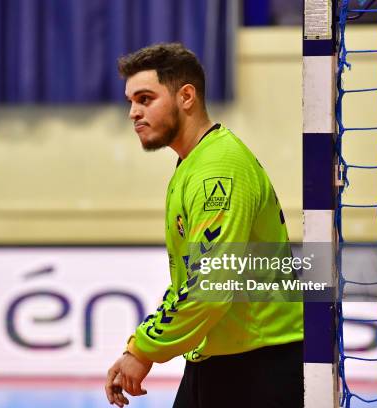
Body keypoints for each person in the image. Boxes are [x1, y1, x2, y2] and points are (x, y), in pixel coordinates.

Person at [105, 43, 304, 408]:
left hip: (259, 365)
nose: (133, 112)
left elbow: (210, 287)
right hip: (222, 360)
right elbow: (191, 279)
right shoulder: (193, 164)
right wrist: (139, 345)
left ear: (186, 97)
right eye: (131, 101)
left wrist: (144, 349)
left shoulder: (218, 169)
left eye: (145, 98)